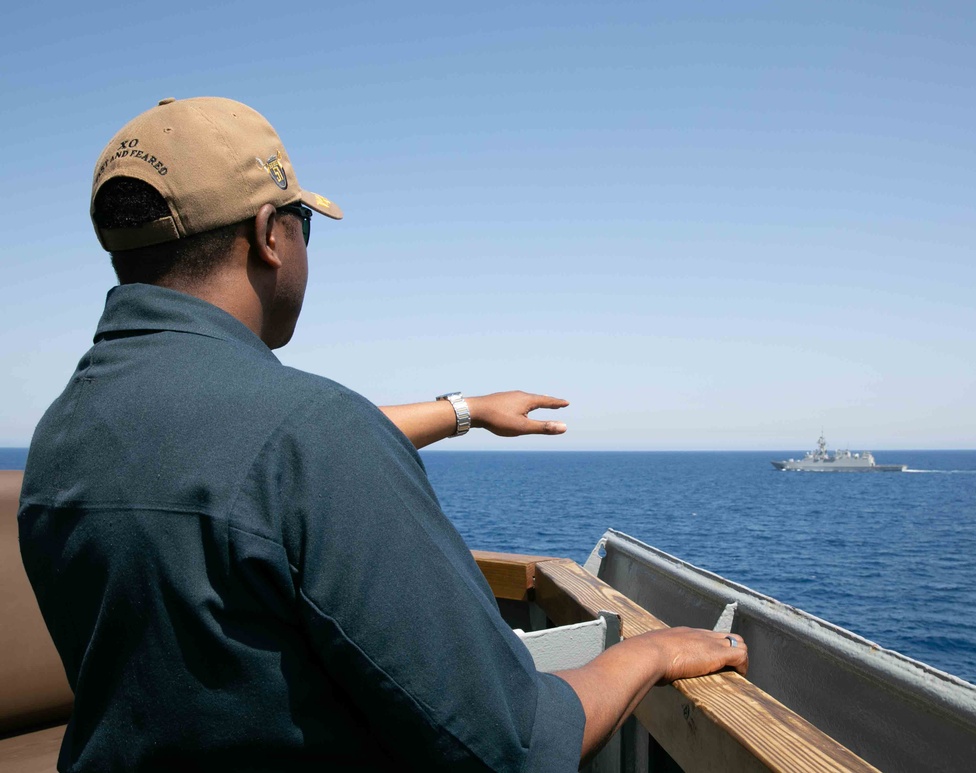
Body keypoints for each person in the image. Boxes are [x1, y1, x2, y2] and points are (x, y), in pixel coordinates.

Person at [18, 97, 747, 772]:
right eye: (304, 224)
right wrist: (648, 654)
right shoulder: (312, 435)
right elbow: (513, 746)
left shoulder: (63, 436)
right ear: (271, 234)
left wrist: (466, 409)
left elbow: (246, 459)